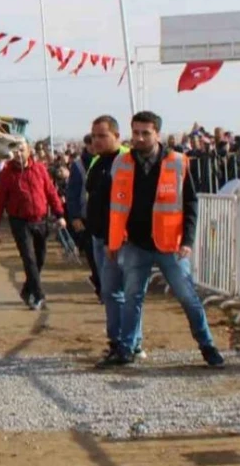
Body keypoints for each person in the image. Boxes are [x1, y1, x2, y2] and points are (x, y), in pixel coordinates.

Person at [104, 111, 224, 368]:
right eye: (135, 132)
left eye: (145, 133)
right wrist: (113, 242)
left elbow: (191, 204)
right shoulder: (122, 163)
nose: (139, 137)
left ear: (157, 134)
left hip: (171, 246)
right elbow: (114, 206)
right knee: (132, 297)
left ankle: (207, 345)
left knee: (188, 297)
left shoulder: (178, 163)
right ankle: (126, 348)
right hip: (136, 244)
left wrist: (188, 241)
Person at [87, 115, 146, 365]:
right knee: (110, 292)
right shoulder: (97, 162)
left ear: (116, 136)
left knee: (129, 292)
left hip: (123, 240)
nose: (97, 141)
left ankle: (132, 343)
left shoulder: (126, 162)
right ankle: (116, 341)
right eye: (94, 136)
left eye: (102, 136)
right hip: (101, 238)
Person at [0, 138, 67, 310]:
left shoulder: (39, 169)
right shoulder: (7, 174)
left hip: (40, 219)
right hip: (19, 221)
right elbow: (0, 201)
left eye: (21, 149)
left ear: (29, 150)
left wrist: (59, 213)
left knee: (40, 258)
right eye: (15, 150)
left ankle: (27, 290)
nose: (18, 154)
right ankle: (39, 295)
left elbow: (51, 192)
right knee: (29, 258)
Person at [66, 134, 100, 298]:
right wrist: (74, 217)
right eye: (91, 145)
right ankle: (100, 287)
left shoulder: (108, 160)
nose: (95, 147)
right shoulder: (78, 165)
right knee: (92, 254)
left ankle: (101, 283)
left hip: (104, 215)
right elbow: (71, 192)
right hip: (86, 216)